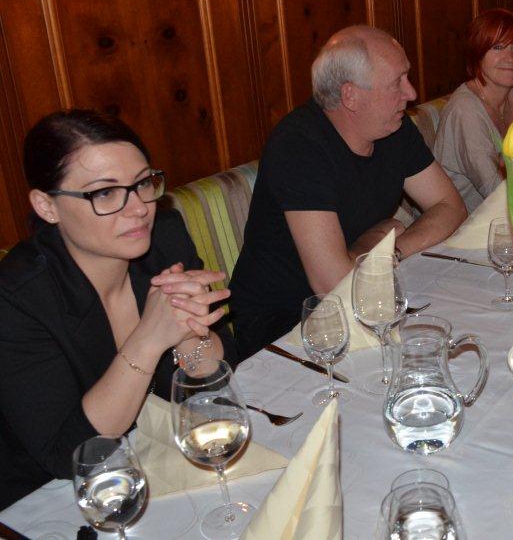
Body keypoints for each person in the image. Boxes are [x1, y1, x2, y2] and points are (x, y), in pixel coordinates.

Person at [0, 110, 234, 507]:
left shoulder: (164, 237)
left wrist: (190, 335)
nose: (139, 208)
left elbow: (217, 370)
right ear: (46, 205)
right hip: (52, 499)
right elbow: (67, 453)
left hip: (158, 459)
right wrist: (148, 340)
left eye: (142, 183)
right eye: (105, 193)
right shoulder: (16, 299)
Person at [229, 26, 467, 358]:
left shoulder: (393, 128)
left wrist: (389, 253)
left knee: (451, 334)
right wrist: (372, 247)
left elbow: (451, 206)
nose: (411, 93)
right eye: (396, 83)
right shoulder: (298, 147)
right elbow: (332, 285)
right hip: (285, 325)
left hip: (364, 297)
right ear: (350, 95)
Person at [433, 9, 513, 211]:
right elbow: (498, 193)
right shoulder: (465, 111)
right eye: (498, 47)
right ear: (477, 53)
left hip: (509, 216)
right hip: (468, 224)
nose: (510, 57)